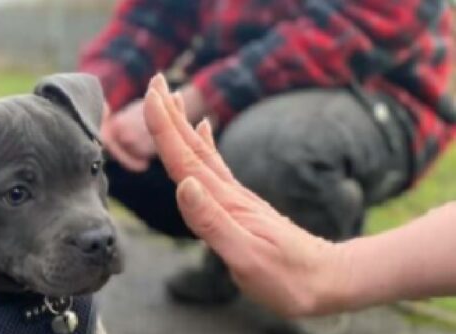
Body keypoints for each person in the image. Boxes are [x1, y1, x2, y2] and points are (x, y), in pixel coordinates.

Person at [79, 0, 455, 334]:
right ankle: (233, 260)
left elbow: (363, 24)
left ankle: (323, 264)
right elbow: (153, 18)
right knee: (99, 146)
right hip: (240, 85)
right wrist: (94, 106)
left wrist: (198, 99)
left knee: (271, 148)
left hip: (376, 88)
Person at [143, 73, 456, 319]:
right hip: (254, 85)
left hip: (382, 96)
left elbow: (347, 31)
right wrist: (102, 104)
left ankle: (331, 233)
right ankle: (233, 261)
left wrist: (336, 271)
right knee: (128, 130)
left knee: (269, 147)